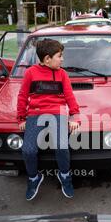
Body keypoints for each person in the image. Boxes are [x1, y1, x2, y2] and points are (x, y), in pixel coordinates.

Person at [16, 39, 80, 201]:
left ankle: (65, 175)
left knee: (61, 146)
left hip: (57, 113)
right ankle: (33, 178)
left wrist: (74, 117)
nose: (62, 59)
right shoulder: (30, 73)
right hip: (35, 114)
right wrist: (21, 118)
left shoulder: (62, 74)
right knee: (28, 150)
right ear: (47, 59)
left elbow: (69, 96)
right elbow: (22, 96)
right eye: (59, 56)